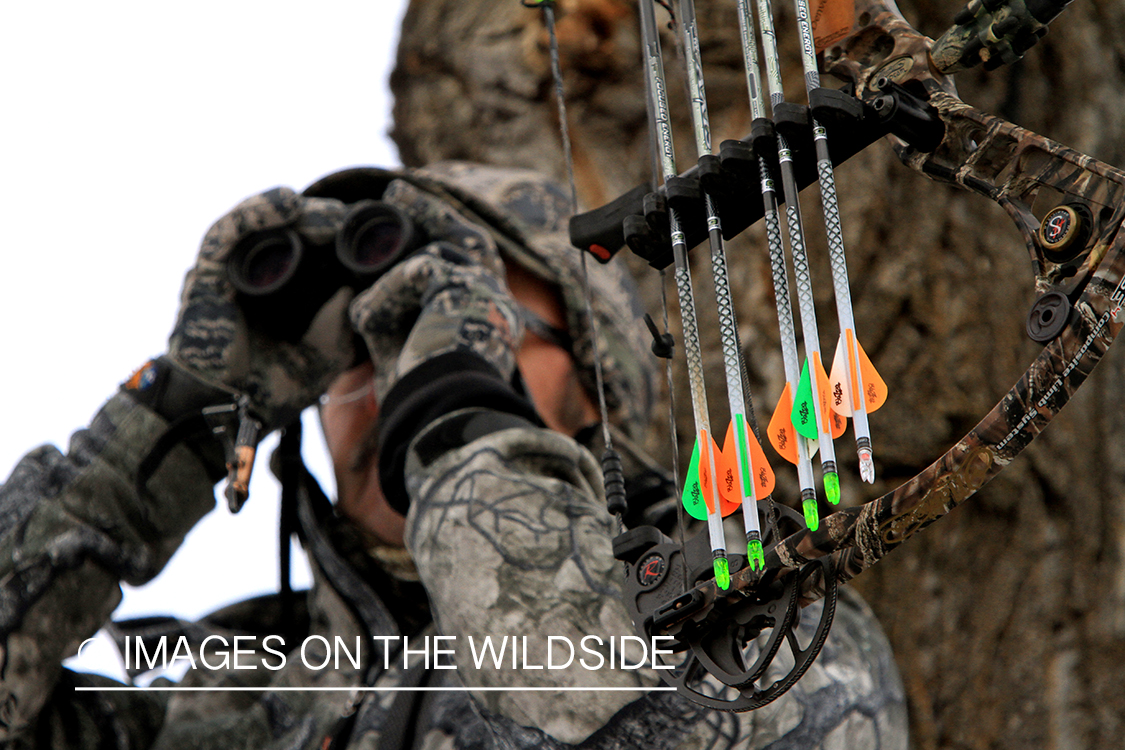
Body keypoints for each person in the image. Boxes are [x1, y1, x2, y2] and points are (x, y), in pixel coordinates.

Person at [0, 161, 909, 748]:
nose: (387, 375)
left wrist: (452, 410)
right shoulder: (243, 685)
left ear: (595, 379)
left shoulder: (747, 599)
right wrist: (172, 420)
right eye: (358, 346)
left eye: (450, 324)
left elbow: (593, 707)